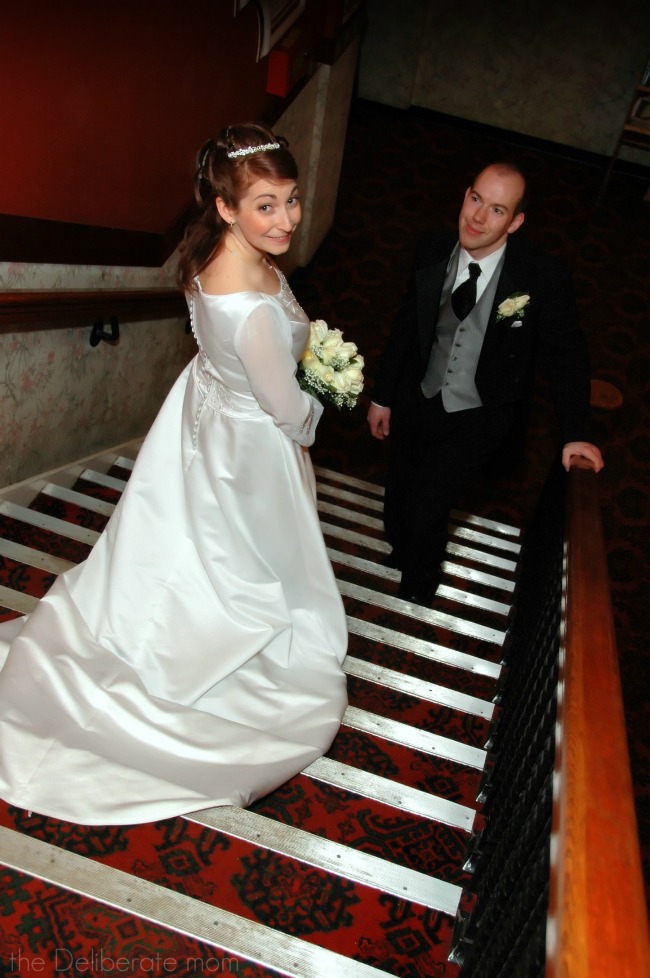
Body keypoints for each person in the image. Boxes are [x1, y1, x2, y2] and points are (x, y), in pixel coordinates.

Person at [0, 122, 348, 825]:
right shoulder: (250, 306)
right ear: (226, 208)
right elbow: (285, 409)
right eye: (266, 206)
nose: (286, 220)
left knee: (186, 540)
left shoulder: (210, 253)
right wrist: (318, 410)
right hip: (248, 444)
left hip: (202, 417)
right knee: (244, 560)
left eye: (290, 199)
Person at [367, 161, 604, 605]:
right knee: (398, 497)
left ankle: (419, 588)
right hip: (417, 399)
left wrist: (576, 432)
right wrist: (383, 396)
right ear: (464, 195)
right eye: (475, 199)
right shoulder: (431, 249)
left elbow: (567, 355)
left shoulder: (541, 277)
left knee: (425, 511)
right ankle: (402, 554)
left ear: (515, 222)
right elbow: (406, 325)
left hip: (478, 418)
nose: (477, 217)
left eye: (496, 210)